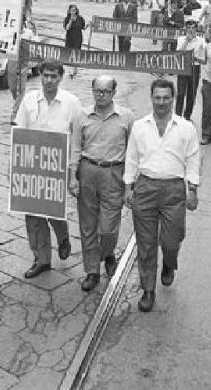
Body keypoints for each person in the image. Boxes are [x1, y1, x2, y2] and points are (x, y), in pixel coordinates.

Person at [124, 78, 200, 312]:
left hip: (173, 189)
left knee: (171, 240)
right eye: (157, 97)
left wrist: (193, 189)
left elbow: (193, 159)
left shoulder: (185, 128)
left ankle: (169, 262)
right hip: (145, 188)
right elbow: (132, 158)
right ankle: (148, 290)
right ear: (152, 98)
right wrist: (128, 186)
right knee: (145, 244)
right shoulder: (139, 126)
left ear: (173, 99)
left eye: (166, 98)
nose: (161, 102)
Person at [15, 60, 82, 278]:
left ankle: (62, 235)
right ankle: (41, 259)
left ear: (60, 77)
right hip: (31, 165)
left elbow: (76, 141)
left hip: (57, 166)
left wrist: (73, 171)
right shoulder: (29, 100)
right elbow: (20, 131)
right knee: (33, 213)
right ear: (41, 76)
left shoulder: (71, 102)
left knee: (53, 209)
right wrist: (15, 167)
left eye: (54, 76)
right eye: (46, 76)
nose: (49, 80)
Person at [74, 76, 134, 291]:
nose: (101, 95)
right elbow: (75, 147)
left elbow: (132, 152)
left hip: (113, 172)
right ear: (92, 91)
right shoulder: (82, 115)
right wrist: (73, 176)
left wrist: (130, 183)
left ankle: (107, 252)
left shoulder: (126, 117)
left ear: (113, 93)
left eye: (106, 91)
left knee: (108, 227)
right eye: (97, 91)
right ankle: (92, 271)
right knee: (87, 224)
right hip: (88, 170)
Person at [175, 19, 207, 121]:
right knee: (180, 93)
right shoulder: (181, 39)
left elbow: (206, 53)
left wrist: (199, 58)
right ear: (186, 29)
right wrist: (187, 41)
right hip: (183, 67)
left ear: (196, 29)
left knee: (192, 93)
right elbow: (178, 53)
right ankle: (178, 116)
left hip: (195, 67)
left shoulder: (201, 40)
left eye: (193, 28)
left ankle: (187, 115)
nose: (191, 30)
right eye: (189, 28)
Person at [63, 4, 87, 79]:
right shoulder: (67, 18)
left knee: (76, 53)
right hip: (70, 38)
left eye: (75, 10)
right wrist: (70, 21)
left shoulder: (80, 18)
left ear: (77, 11)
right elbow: (66, 28)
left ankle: (74, 69)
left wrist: (89, 25)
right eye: (72, 10)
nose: (73, 12)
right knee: (69, 53)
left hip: (78, 38)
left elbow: (83, 27)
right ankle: (69, 68)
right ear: (69, 11)